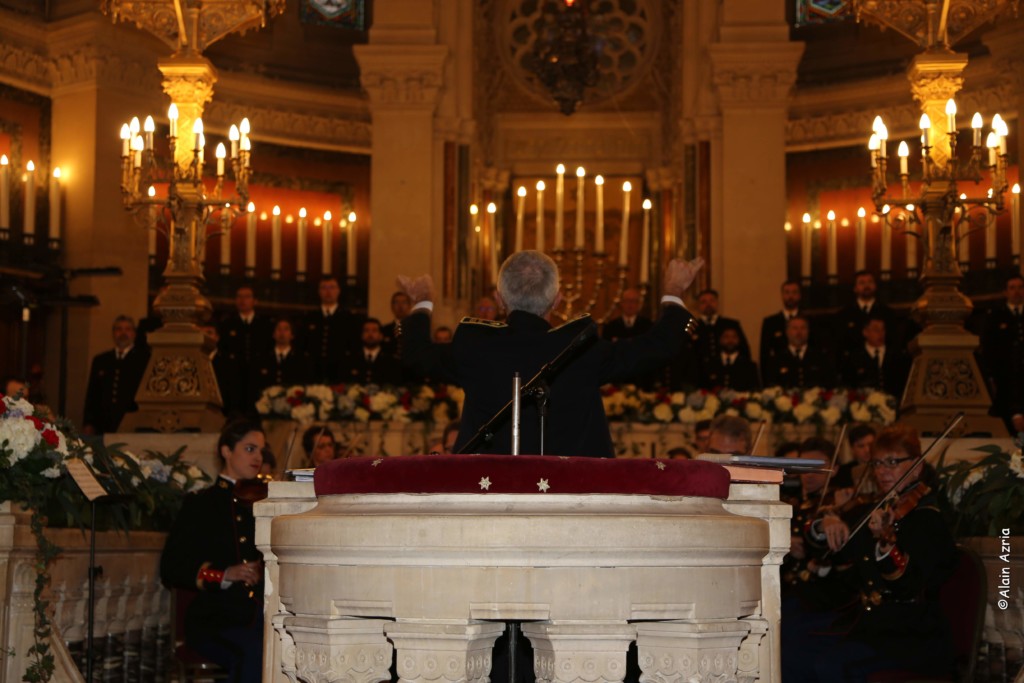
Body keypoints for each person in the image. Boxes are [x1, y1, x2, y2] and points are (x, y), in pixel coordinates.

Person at [400, 250, 702, 457]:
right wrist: (674, 289)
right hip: (574, 499)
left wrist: (423, 302)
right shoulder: (581, 348)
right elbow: (657, 346)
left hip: (488, 495)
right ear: (557, 300)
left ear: (499, 298)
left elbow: (416, 354)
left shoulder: (475, 346)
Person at [782, 423, 957, 682]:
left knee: (829, 665)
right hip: (871, 626)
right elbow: (834, 554)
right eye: (876, 464)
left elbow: (909, 585)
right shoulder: (877, 509)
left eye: (892, 462)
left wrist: (886, 546)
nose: (882, 471)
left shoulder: (927, 519)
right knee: (791, 655)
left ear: (917, 466)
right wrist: (827, 522)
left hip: (911, 635)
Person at [160, 418, 266, 683]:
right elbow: (172, 568)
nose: (259, 457)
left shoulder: (264, 505)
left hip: (258, 615)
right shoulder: (201, 505)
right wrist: (223, 575)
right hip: (215, 619)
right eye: (250, 449)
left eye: (261, 451)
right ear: (226, 451)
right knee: (253, 652)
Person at [82, 315, 150, 434]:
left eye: (127, 329)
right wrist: (89, 422)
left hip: (131, 424)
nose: (123, 333)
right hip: (103, 424)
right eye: (119, 329)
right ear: (113, 333)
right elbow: (92, 394)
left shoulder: (144, 360)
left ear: (134, 333)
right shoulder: (101, 360)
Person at [980, 274, 1024, 433]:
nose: (1017, 292)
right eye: (1012, 288)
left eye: (1020, 287)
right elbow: (988, 348)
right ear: (1006, 292)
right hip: (1004, 378)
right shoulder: (995, 317)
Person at [303, 276, 362, 384]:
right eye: (324, 288)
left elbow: (354, 346)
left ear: (338, 291)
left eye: (332, 287)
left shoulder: (348, 318)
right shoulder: (310, 317)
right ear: (319, 292)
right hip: (314, 372)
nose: (328, 291)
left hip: (340, 372)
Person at [761, 315, 836, 389]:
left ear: (808, 332)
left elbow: (829, 384)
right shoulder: (776, 360)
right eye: (794, 328)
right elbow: (771, 387)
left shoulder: (820, 358)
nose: (799, 332)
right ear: (787, 332)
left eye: (803, 328)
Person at [832, 271, 896, 355]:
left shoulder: (887, 313)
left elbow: (892, 340)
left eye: (870, 282)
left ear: (875, 286)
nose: (867, 286)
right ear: (855, 288)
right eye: (862, 282)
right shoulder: (844, 315)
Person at [841, 317, 909, 395]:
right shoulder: (854, 358)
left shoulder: (897, 355)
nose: (881, 333)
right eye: (876, 330)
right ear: (865, 332)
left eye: (883, 329)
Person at [251, 319, 312, 399]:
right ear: (273, 334)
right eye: (279, 329)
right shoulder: (262, 358)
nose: (282, 333)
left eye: (286, 329)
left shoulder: (301, 360)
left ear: (292, 335)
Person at [690, 289, 750, 364]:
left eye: (712, 301)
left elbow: (744, 350)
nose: (708, 304)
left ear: (717, 303)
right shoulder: (693, 327)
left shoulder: (731, 324)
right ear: (698, 306)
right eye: (703, 302)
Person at [343, 318, 404, 386]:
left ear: (381, 336)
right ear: (361, 335)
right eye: (366, 330)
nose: (370, 334)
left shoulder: (391, 361)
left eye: (374, 330)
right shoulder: (350, 359)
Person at [381, 291, 411, 357]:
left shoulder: (415, 329)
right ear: (392, 306)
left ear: (409, 306)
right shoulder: (385, 330)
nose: (400, 306)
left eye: (404, 302)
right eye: (396, 302)